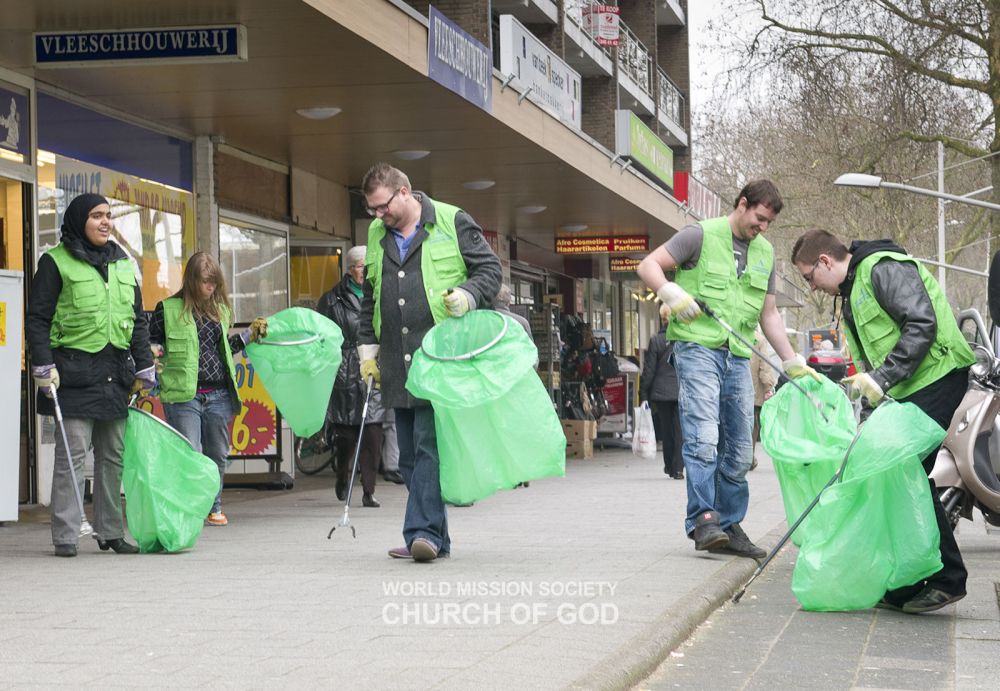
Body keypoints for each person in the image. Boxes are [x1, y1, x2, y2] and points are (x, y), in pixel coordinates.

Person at [791, 228, 972, 614]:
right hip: (913, 386)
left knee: (897, 466)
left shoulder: (881, 268)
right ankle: (914, 578)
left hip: (938, 377)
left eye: (809, 277)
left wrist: (882, 379)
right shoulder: (853, 288)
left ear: (825, 261)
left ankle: (946, 578)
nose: (812, 288)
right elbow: (877, 357)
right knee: (892, 471)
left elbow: (921, 324)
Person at [636, 179, 819, 560]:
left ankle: (729, 525)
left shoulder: (765, 253)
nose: (762, 227)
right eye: (760, 218)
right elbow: (648, 265)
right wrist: (671, 292)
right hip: (697, 347)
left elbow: (768, 314)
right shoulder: (699, 236)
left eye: (769, 222)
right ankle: (703, 520)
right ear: (742, 204)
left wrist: (792, 362)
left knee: (739, 449)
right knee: (703, 436)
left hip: (738, 354)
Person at [358, 162, 502, 562]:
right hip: (396, 361)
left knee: (426, 446)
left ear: (404, 192)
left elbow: (490, 270)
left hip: (440, 357)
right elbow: (371, 294)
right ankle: (438, 537)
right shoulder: (376, 233)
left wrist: (469, 295)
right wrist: (367, 352)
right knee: (407, 455)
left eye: (383, 206)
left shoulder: (452, 220)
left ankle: (421, 533)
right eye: (372, 209)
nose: (378, 216)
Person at [26, 193, 156, 557]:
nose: (105, 222)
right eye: (97, 215)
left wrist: (144, 365)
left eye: (109, 215)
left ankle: (110, 531)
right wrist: (42, 365)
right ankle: (66, 535)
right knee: (73, 456)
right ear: (79, 220)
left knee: (113, 455)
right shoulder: (55, 263)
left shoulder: (122, 263)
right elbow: (38, 318)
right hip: (73, 373)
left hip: (115, 374)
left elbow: (139, 321)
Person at [149, 252, 267, 527]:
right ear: (192, 280)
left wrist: (249, 335)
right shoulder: (167, 309)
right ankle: (191, 507)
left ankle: (214, 505)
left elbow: (225, 350)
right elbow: (153, 345)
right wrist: (152, 363)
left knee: (217, 453)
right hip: (182, 393)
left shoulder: (221, 311)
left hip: (218, 393)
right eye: (205, 281)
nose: (211, 287)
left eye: (214, 282)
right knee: (190, 453)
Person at [316, 245, 385, 508]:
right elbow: (322, 335)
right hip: (345, 370)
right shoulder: (332, 299)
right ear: (350, 269)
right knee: (345, 434)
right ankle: (342, 474)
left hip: (372, 367)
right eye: (359, 266)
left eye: (368, 268)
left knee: (373, 432)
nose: (364, 272)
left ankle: (369, 490)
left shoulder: (379, 295)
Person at [639, 309, 683, 479]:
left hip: (662, 392)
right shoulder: (683, 340)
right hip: (681, 390)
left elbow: (649, 370)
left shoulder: (656, 340)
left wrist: (643, 393)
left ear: (662, 318)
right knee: (680, 430)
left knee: (666, 429)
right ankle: (679, 468)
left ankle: (669, 466)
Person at [749, 329, 778, 470]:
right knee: (752, 424)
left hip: (733, 386)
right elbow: (764, 365)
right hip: (753, 388)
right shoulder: (759, 339)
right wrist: (768, 387)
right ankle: (748, 458)